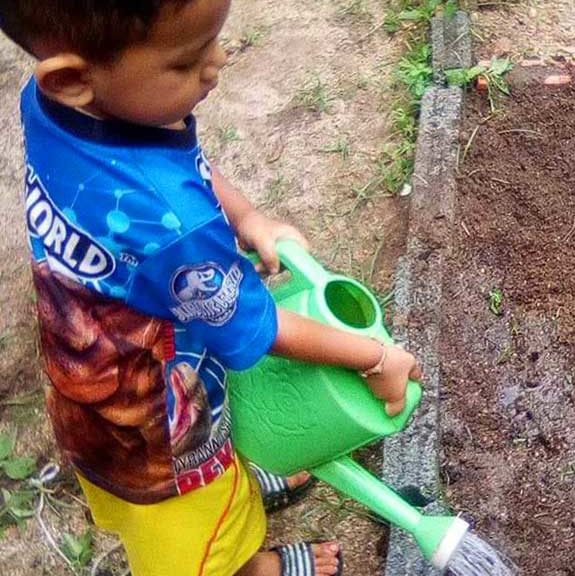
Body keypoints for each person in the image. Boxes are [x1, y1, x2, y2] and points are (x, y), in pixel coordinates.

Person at [0, 1, 422, 575]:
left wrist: (246, 215)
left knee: (205, 490)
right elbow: (258, 328)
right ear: (74, 78)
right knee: (191, 542)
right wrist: (376, 359)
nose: (218, 61)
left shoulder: (52, 104)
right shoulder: (177, 225)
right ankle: (247, 566)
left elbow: (167, 156)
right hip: (157, 434)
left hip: (87, 381)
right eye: (186, 60)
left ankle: (235, 480)